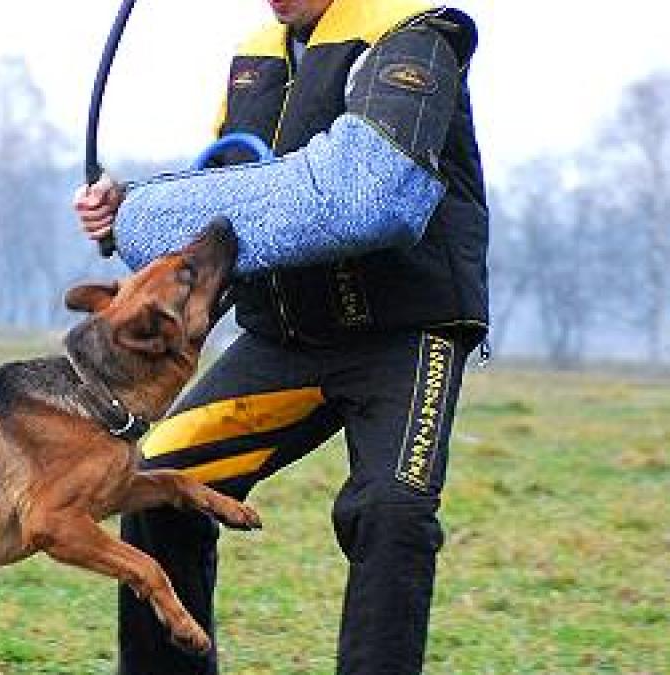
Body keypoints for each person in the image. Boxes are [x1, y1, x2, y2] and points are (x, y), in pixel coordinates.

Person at [71, 0, 488, 672]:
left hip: (406, 336)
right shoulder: (257, 55)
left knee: (391, 512)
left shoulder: (414, 31)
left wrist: (149, 212)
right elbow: (223, 206)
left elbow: (362, 197)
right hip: (285, 340)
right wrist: (125, 208)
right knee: (154, 484)